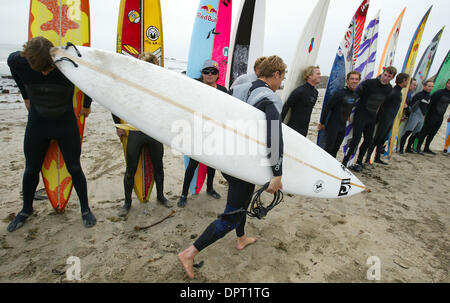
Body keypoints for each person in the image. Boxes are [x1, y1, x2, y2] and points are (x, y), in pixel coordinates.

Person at [178, 55, 285, 280]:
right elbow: (274, 136)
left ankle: (241, 238)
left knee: (243, 201)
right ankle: (189, 253)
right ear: (275, 74)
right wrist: (277, 174)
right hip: (243, 162)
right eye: (282, 76)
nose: (281, 81)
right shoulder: (269, 97)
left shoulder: (238, 88)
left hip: (226, 158)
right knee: (232, 214)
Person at [6, 37, 96, 232]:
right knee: (31, 169)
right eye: (41, 70)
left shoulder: (66, 63)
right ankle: (26, 210)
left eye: (49, 68)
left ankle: (85, 208)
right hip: (38, 124)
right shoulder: (17, 61)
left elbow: (88, 76)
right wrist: (25, 96)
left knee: (74, 167)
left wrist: (86, 105)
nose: (46, 72)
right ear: (28, 61)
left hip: (65, 123)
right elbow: (11, 65)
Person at [112, 52, 171, 217]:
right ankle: (127, 202)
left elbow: (168, 106)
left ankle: (160, 196)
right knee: (130, 169)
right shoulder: (130, 83)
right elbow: (114, 101)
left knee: (158, 166)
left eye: (151, 66)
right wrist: (118, 125)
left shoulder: (160, 85)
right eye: (144, 66)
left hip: (153, 131)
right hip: (135, 130)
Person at [177, 59, 227, 208]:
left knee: (212, 164)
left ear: (218, 74)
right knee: (193, 165)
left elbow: (228, 112)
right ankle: (183, 194)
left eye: (213, 72)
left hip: (214, 132)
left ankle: (210, 188)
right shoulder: (195, 86)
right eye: (206, 72)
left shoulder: (224, 91)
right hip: (197, 132)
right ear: (202, 74)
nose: (210, 74)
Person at [341, 66, 397, 170]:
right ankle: (345, 161)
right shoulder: (369, 83)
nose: (385, 77)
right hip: (361, 115)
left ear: (392, 78)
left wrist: (379, 119)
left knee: (368, 141)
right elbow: (355, 95)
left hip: (372, 117)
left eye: (389, 76)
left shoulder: (389, 89)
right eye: (385, 75)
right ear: (382, 73)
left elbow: (383, 105)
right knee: (355, 140)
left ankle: (359, 161)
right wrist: (348, 112)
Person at [364, 73, 410, 164]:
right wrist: (379, 118)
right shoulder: (394, 92)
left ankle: (377, 157)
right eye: (407, 81)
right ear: (403, 80)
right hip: (384, 118)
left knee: (383, 138)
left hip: (390, 119)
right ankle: (367, 158)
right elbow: (383, 104)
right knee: (377, 138)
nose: (407, 83)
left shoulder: (398, 91)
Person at [318, 71, 361, 158]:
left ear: (359, 81)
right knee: (328, 149)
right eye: (352, 79)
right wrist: (322, 123)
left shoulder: (355, 95)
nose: (354, 81)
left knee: (336, 148)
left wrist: (348, 115)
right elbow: (328, 107)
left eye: (356, 79)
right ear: (347, 81)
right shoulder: (340, 93)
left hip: (343, 126)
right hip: (333, 125)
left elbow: (349, 106)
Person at [281, 66, 321, 137]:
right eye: (317, 74)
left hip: (305, 130)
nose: (320, 76)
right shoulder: (299, 91)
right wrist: (279, 126)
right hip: (293, 128)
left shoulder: (315, 93)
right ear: (309, 76)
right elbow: (286, 107)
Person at [399, 80, 434, 154]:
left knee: (416, 133)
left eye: (432, 86)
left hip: (421, 117)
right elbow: (411, 106)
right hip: (414, 115)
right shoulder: (418, 95)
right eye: (429, 86)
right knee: (408, 132)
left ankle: (408, 148)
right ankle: (401, 149)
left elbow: (427, 107)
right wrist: (407, 115)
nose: (430, 88)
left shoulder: (429, 96)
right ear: (424, 86)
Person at [416, 79, 450, 154]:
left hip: (440, 116)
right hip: (432, 114)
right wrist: (425, 114)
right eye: (448, 83)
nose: (449, 85)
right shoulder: (439, 92)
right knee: (425, 131)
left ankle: (426, 148)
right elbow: (429, 103)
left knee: (433, 132)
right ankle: (418, 147)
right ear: (446, 84)